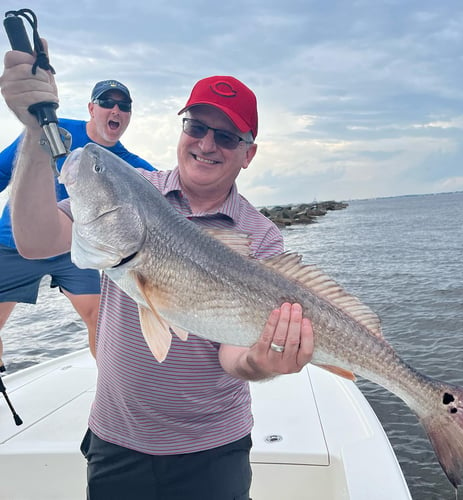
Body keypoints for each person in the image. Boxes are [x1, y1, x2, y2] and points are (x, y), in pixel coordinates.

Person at [1, 43, 314, 500]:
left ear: (248, 154)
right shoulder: (134, 187)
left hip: (214, 449)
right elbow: (34, 239)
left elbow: (232, 353)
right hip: (116, 440)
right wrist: (33, 131)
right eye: (198, 127)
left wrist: (260, 361)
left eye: (226, 137)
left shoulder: (259, 236)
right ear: (182, 130)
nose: (207, 144)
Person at [0, 79, 155, 361]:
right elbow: (1, 171)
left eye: (124, 105)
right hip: (14, 242)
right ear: (91, 108)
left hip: (76, 249)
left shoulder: (128, 165)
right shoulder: (52, 131)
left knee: (99, 316)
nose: (116, 110)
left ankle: (109, 386)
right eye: (107, 102)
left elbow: (168, 192)